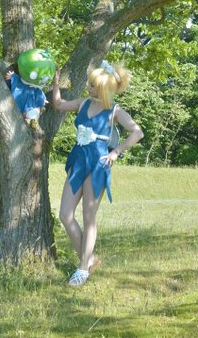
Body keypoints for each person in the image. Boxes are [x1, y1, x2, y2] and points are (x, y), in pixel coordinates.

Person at [52, 60, 144, 286]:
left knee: (88, 217)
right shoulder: (83, 103)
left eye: (92, 85)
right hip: (78, 162)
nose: (88, 87)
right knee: (65, 214)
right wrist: (55, 84)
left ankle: (83, 268)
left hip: (98, 165)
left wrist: (116, 152)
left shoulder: (115, 111)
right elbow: (58, 105)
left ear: (102, 88)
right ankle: (89, 259)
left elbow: (137, 132)